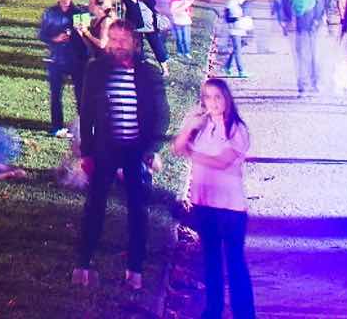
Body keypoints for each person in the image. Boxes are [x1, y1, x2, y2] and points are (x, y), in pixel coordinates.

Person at [73, 20, 169, 289]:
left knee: (138, 209)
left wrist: (151, 150)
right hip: (105, 150)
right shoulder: (96, 70)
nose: (117, 45)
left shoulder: (148, 73)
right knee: (94, 206)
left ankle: (134, 269)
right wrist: (87, 152)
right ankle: (83, 263)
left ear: (135, 43)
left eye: (123, 40)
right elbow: (86, 113)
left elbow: (162, 114)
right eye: (113, 39)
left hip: (136, 152)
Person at [173, 79, 254, 319]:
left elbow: (222, 162)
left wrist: (192, 153)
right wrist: (189, 126)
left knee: (235, 264)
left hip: (230, 209)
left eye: (218, 96)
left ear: (227, 98)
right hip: (205, 205)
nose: (213, 102)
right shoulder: (202, 126)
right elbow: (177, 148)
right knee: (211, 262)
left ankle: (244, 314)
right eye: (208, 97)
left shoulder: (237, 130)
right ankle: (213, 310)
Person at [40, 0, 88, 137]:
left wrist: (79, 34)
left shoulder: (80, 13)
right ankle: (57, 126)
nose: (66, 0)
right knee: (55, 94)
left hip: (78, 58)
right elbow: (42, 35)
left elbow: (86, 38)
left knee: (81, 94)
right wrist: (55, 39)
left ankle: (84, 126)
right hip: (57, 58)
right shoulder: (50, 13)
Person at [279, 0, 326, 94]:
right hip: (298, 27)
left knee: (313, 54)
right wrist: (286, 21)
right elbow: (285, 5)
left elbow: (320, 4)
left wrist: (317, 20)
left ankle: (315, 82)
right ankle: (302, 84)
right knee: (300, 56)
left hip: (312, 26)